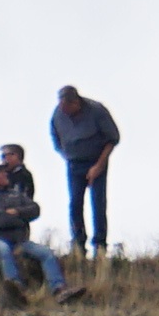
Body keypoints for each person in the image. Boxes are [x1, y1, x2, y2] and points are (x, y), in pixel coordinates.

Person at [0, 145, 74, 303]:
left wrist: (17, 212)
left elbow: (35, 209)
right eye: (0, 172)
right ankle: (15, 287)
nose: (5, 173)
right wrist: (19, 219)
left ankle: (59, 289)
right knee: (4, 250)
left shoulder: (15, 194)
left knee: (46, 253)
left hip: (20, 240)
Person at [47, 83, 117, 255]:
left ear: (76, 102)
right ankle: (78, 245)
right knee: (75, 204)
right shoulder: (57, 115)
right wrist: (67, 156)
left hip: (96, 160)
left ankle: (100, 246)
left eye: (67, 107)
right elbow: (56, 139)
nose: (64, 110)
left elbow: (113, 138)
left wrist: (98, 166)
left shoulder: (97, 110)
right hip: (74, 163)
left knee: (98, 203)